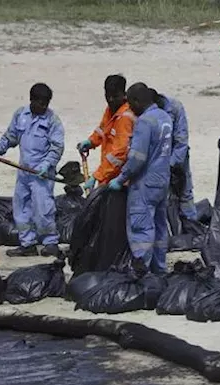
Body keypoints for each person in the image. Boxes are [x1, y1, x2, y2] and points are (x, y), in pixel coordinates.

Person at [0, 83, 65, 258]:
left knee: (42, 209)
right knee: (21, 208)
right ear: (32, 100)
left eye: (46, 103)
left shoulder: (52, 120)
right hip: (23, 173)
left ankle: (50, 242)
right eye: (40, 103)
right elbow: (10, 137)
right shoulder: (20, 115)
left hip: (42, 175)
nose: (44, 106)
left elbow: (57, 147)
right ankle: (27, 244)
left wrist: (46, 164)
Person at [108, 82, 174, 274]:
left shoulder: (145, 122)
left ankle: (141, 270)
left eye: (130, 103)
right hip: (162, 180)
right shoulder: (164, 117)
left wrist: (120, 179)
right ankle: (159, 269)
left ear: (137, 101)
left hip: (144, 183)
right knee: (160, 227)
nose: (129, 108)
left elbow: (137, 158)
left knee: (141, 227)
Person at [76, 75, 135, 191]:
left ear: (124, 94)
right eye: (108, 96)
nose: (111, 99)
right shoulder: (110, 109)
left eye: (115, 96)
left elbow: (119, 154)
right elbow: (103, 129)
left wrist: (97, 175)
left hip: (120, 180)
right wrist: (91, 141)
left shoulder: (125, 118)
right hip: (108, 175)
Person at [151, 89, 197, 222]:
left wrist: (169, 166)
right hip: (158, 162)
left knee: (185, 197)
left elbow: (181, 142)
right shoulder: (146, 111)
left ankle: (191, 230)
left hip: (177, 162)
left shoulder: (175, 107)